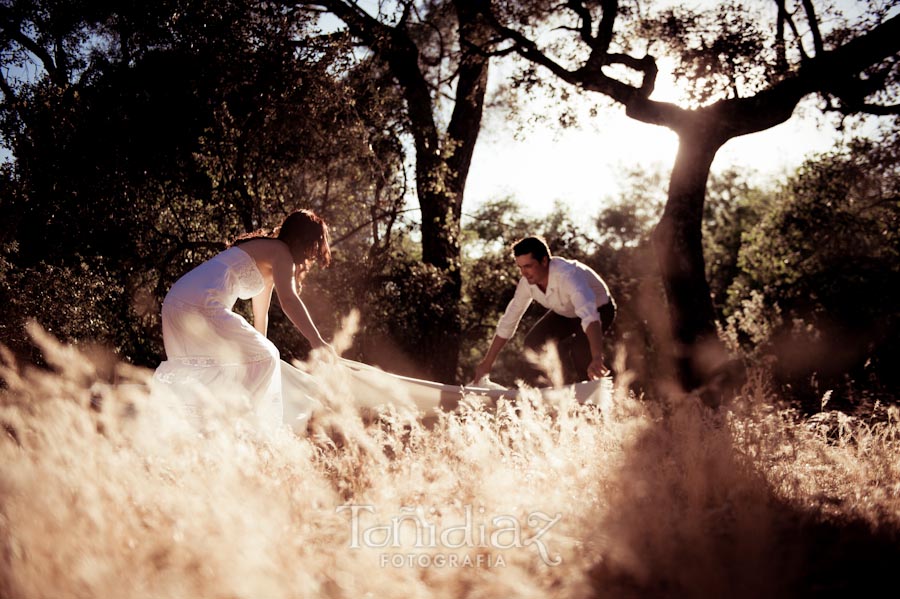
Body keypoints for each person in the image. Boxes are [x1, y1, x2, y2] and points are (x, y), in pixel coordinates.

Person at [152, 209, 333, 432]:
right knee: (265, 358)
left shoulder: (268, 252)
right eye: (312, 245)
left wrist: (262, 356)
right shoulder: (281, 252)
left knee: (249, 359)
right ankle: (228, 425)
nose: (311, 254)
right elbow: (288, 300)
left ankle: (205, 426)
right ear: (300, 238)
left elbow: (261, 316)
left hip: (177, 298)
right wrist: (316, 341)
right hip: (201, 300)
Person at [472, 236, 616, 386]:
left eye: (528, 266)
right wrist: (486, 363)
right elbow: (509, 320)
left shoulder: (568, 276)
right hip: (566, 312)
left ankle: (593, 395)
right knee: (533, 342)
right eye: (520, 267)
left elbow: (590, 317)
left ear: (544, 261)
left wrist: (597, 358)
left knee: (580, 348)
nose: (524, 273)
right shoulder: (526, 283)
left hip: (600, 308)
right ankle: (543, 391)